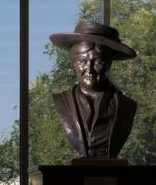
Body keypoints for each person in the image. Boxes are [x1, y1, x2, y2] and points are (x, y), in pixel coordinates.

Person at [49, 22, 138, 158]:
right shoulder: (61, 101)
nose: (89, 70)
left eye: (98, 62)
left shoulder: (126, 106)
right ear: (74, 64)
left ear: (108, 64)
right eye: (83, 62)